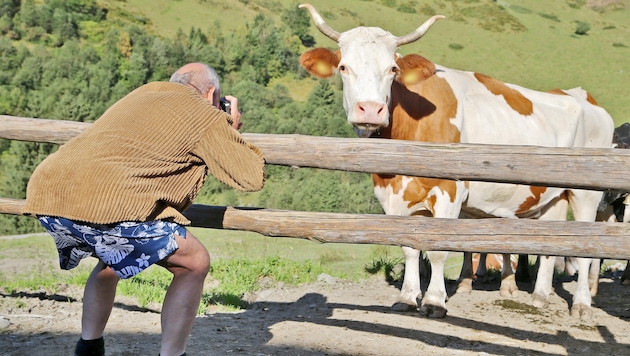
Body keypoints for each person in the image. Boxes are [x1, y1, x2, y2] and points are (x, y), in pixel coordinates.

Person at [23, 62, 265, 356]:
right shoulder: (205, 114)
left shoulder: (143, 92)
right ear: (212, 92)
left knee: (112, 256)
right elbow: (249, 176)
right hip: (109, 202)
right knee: (194, 262)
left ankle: (88, 348)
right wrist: (229, 124)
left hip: (49, 193)